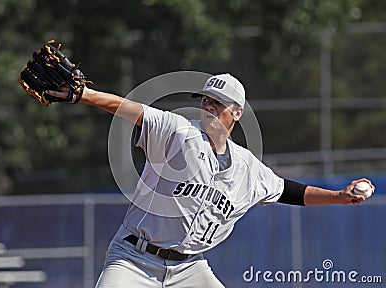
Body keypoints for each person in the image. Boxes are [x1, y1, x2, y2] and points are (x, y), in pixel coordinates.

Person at [47, 73, 374, 288]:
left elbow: (290, 191)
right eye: (204, 100)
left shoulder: (248, 167)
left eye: (216, 104)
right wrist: (83, 96)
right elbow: (132, 109)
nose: (207, 107)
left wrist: (340, 196)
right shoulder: (177, 133)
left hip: (189, 269)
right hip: (133, 259)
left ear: (237, 112)